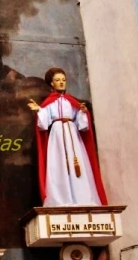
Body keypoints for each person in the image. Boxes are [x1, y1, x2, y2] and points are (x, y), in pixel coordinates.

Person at [27, 68, 107, 206]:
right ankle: (62, 198)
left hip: (73, 135)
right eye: (58, 80)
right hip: (57, 135)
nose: (61, 83)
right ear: (52, 83)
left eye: (63, 80)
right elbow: (44, 122)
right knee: (59, 164)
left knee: (78, 163)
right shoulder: (49, 102)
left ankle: (82, 198)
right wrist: (39, 110)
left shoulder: (71, 101)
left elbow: (82, 124)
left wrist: (82, 112)